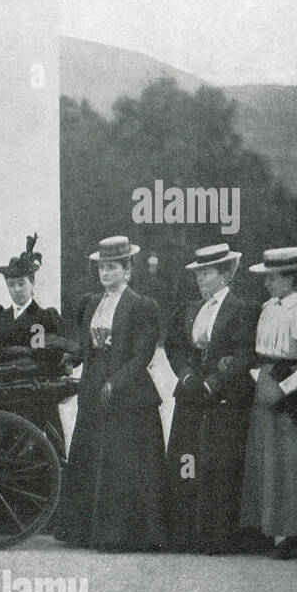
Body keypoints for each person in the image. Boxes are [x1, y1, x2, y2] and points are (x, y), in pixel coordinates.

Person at [55, 236, 167, 551]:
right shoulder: (91, 303)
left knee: (121, 462)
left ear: (127, 269)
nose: (105, 273)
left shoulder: (141, 306)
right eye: (102, 268)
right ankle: (88, 531)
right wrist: (68, 359)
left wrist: (115, 382)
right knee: (92, 454)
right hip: (94, 388)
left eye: (113, 267)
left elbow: (142, 354)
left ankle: (121, 534)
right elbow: (85, 346)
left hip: (128, 393)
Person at [164, 244, 267, 554]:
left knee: (222, 464)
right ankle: (185, 534)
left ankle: (220, 536)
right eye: (198, 274)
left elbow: (246, 353)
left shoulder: (243, 309)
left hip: (227, 396)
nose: (200, 280)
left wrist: (215, 382)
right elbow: (175, 347)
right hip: (192, 393)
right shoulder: (189, 309)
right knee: (188, 460)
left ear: (225, 275)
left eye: (206, 274)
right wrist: (187, 377)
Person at [238, 247, 297, 560]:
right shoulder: (269, 308)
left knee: (294, 464)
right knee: (268, 461)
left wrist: (284, 389)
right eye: (266, 277)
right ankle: (269, 528)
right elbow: (261, 354)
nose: (267, 283)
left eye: (273, 277)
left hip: (291, 393)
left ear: (291, 278)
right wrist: (260, 379)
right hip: (266, 386)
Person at [0, 233, 74, 454]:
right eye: (12, 284)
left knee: (46, 445)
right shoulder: (2, 318)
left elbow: (39, 355)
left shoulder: (41, 318)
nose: (17, 289)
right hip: (4, 392)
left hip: (35, 392)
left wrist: (13, 354)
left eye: (21, 283)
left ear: (32, 283)